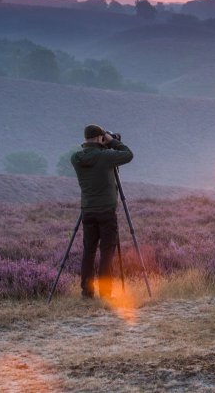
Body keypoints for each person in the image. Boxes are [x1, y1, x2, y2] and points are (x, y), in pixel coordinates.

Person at [71, 124, 134, 299]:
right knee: (106, 252)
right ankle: (105, 293)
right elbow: (128, 154)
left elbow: (93, 157)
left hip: (87, 210)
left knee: (89, 252)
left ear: (85, 138)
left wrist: (102, 145)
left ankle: (87, 292)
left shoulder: (76, 158)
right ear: (100, 138)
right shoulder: (106, 157)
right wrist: (112, 142)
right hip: (106, 210)